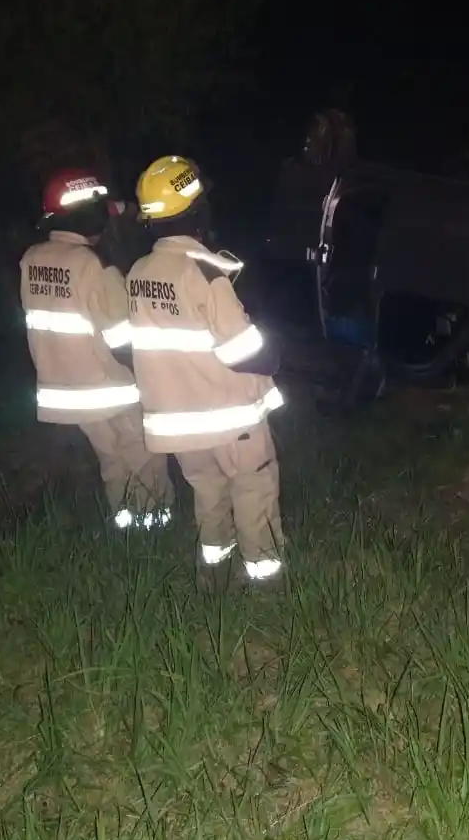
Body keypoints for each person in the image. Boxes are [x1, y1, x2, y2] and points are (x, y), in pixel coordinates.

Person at [125, 155, 286, 593]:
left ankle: (211, 578)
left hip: (179, 425)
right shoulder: (207, 270)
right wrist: (273, 347)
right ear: (197, 211)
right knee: (253, 493)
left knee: (208, 497)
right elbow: (244, 352)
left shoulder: (138, 274)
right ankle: (266, 586)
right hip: (231, 420)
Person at [20, 168, 175, 530]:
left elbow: (109, 208)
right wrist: (152, 377)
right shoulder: (95, 267)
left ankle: (124, 523)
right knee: (143, 454)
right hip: (111, 386)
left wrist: (125, 209)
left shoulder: (32, 259)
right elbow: (123, 339)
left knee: (110, 458)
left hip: (66, 390)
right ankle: (154, 527)